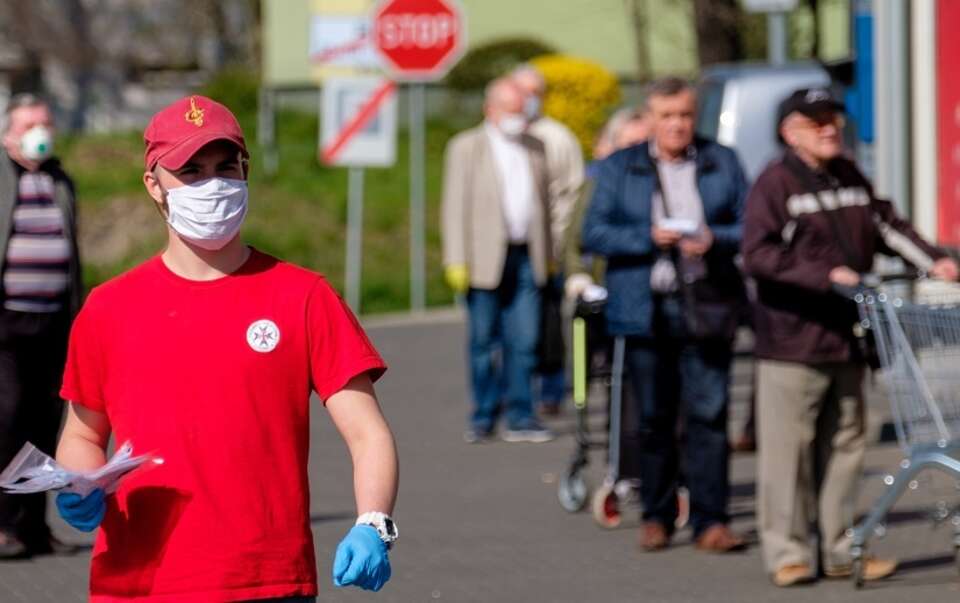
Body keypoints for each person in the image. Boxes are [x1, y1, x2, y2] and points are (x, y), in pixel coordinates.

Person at [52, 95, 399, 601]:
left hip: (267, 578)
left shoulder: (303, 296)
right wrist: (79, 483)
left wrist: (373, 522)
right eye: (190, 171)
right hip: (138, 582)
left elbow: (368, 434)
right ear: (154, 185)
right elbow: (82, 434)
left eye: (225, 166)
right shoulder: (107, 308)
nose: (212, 184)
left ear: (245, 170)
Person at [742, 87, 960, 587]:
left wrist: (935, 261)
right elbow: (758, 256)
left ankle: (842, 548)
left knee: (846, 447)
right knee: (788, 453)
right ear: (789, 130)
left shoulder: (849, 176)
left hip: (848, 337)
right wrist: (824, 275)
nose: (829, 129)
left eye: (834, 119)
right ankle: (788, 554)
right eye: (817, 121)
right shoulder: (774, 185)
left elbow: (888, 226)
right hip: (793, 342)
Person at [582, 77, 747, 553]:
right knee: (653, 417)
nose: (677, 124)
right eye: (667, 115)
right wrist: (646, 237)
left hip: (707, 304)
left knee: (710, 415)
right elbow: (593, 232)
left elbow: (750, 221)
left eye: (685, 115)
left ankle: (711, 520)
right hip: (645, 306)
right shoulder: (621, 166)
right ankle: (656, 515)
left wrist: (714, 238)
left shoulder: (722, 160)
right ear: (650, 118)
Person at [441, 78, 556, 444]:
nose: (520, 116)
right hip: (483, 258)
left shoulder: (536, 147)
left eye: (523, 108)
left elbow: (545, 204)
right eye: (512, 109)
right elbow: (454, 205)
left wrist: (549, 256)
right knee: (483, 341)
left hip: (526, 254)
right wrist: (456, 258)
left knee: (524, 339)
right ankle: (484, 414)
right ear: (490, 110)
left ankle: (522, 415)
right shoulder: (466, 147)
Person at [0, 93, 82, 558]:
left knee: (44, 424)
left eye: (46, 123)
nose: (40, 132)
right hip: (6, 325)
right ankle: (3, 524)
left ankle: (35, 528)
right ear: (10, 132)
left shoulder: (60, 180)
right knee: (6, 421)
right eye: (31, 124)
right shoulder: (2, 176)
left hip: (52, 323)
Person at [511, 65, 584, 416]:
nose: (527, 100)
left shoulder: (557, 137)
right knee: (513, 328)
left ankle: (552, 389)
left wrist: (558, 242)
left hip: (549, 247)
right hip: (510, 249)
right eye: (520, 92)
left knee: (550, 323)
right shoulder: (502, 136)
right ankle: (516, 393)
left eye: (533, 92)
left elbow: (572, 193)